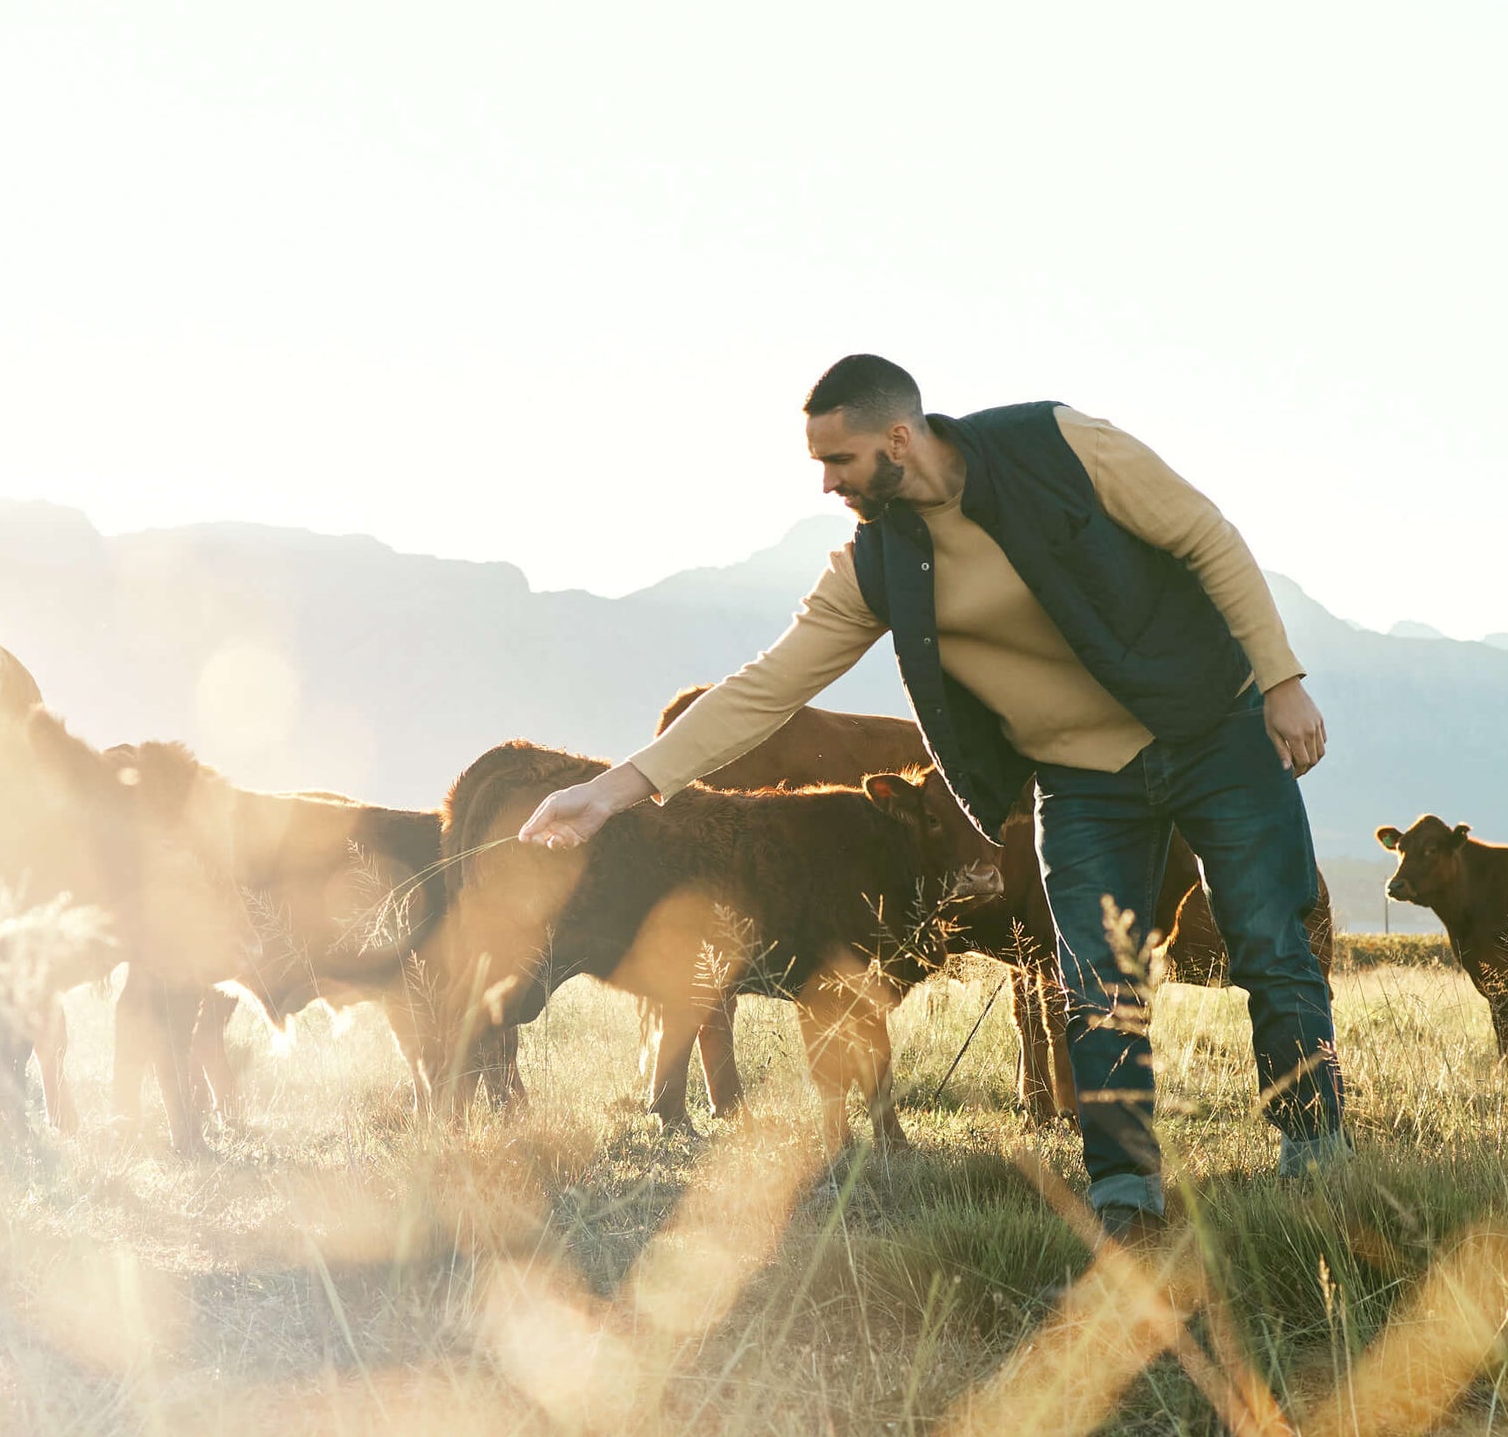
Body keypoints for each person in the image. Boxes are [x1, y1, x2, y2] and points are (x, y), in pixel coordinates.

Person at [517, 354, 1344, 1233]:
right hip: (1082, 781)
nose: (828, 483)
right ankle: (1125, 1194)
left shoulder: (1059, 443)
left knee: (1268, 939)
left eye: (839, 461)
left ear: (899, 439)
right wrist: (614, 790)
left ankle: (1314, 1152)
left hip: (1211, 727)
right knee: (1098, 980)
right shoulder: (875, 569)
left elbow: (1203, 534)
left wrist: (1281, 677)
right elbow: (765, 689)